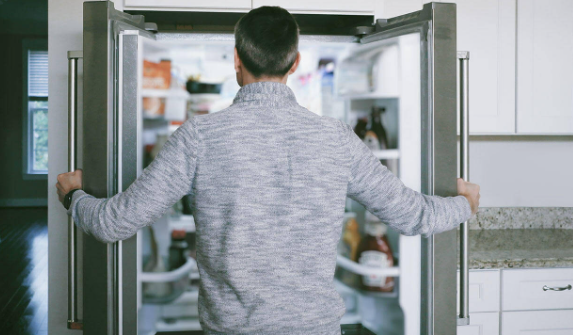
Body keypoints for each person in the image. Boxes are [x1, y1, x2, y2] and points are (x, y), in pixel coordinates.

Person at [56, 6, 480, 335]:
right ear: (294, 63)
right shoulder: (335, 139)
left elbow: (113, 223)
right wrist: (465, 202)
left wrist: (72, 194)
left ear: (236, 60)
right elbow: (416, 216)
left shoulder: (200, 137)